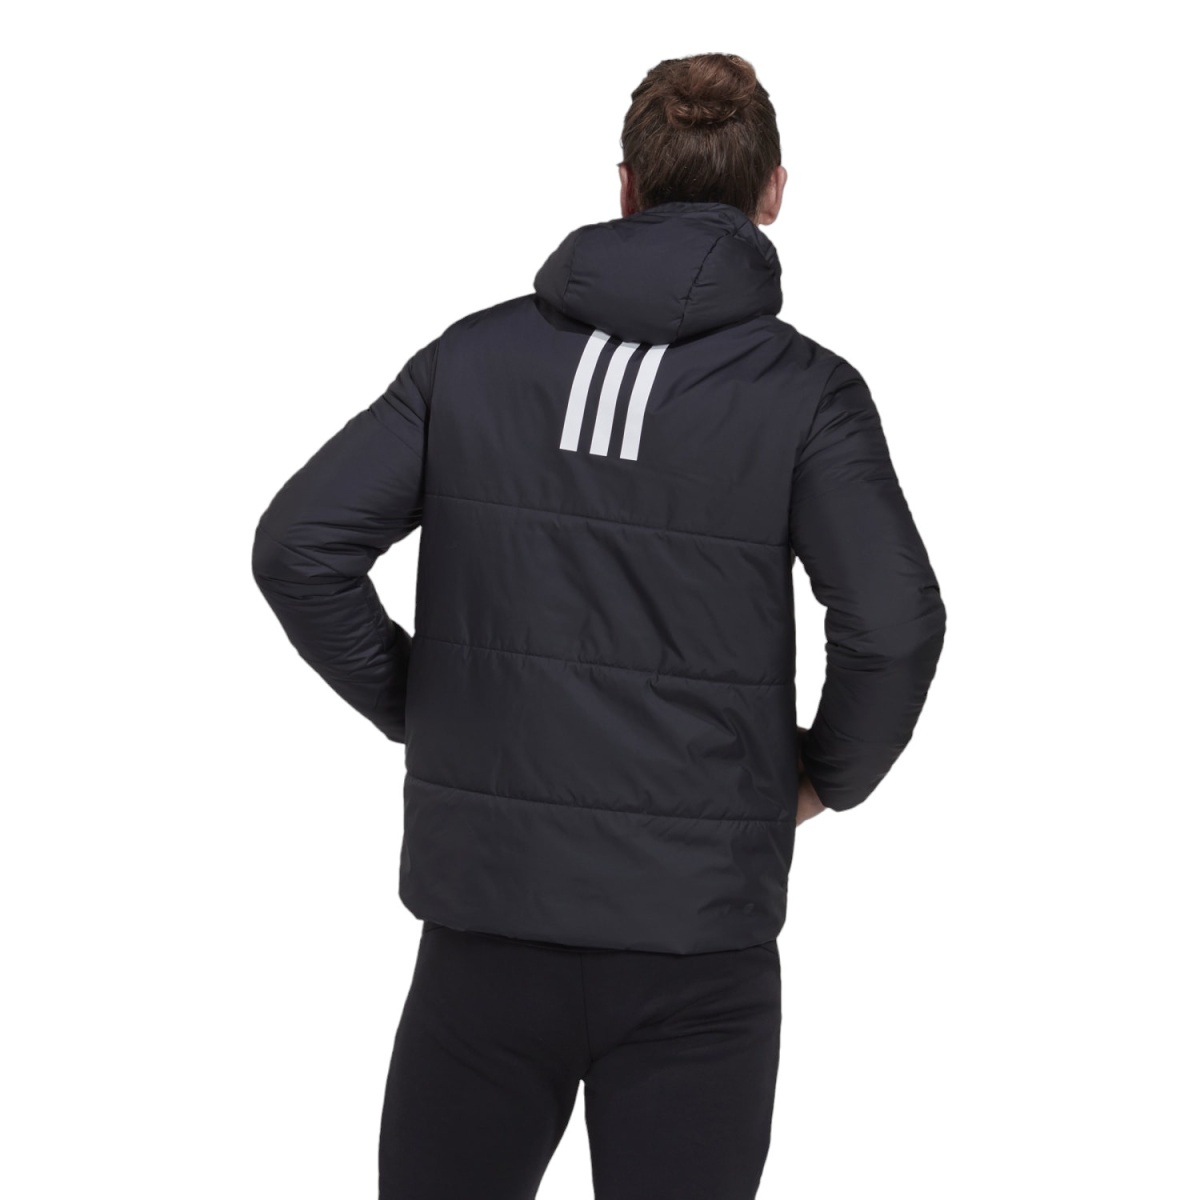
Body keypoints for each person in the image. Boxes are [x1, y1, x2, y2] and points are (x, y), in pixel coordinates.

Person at [252, 51, 946, 1200]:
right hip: (698, 942)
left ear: (625, 185)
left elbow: (298, 546)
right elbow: (894, 622)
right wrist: (824, 780)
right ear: (774, 190)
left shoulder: (472, 360)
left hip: (489, 928)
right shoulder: (808, 394)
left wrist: (427, 708)